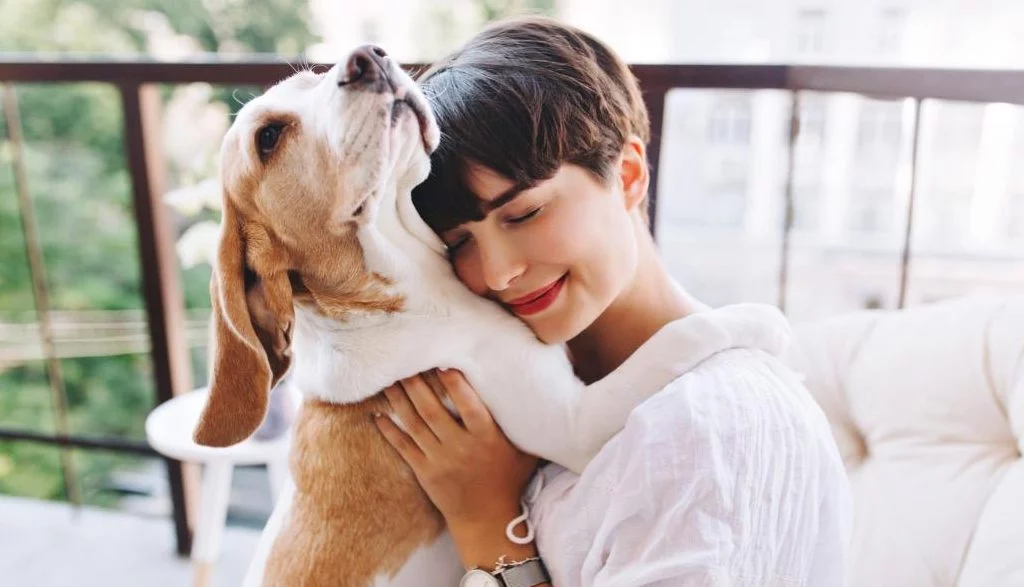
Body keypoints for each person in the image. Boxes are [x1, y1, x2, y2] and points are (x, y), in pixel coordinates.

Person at [372, 16, 851, 587]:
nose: (499, 273)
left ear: (627, 175)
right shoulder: (511, 399)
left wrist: (487, 522)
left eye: (524, 214)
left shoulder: (705, 425)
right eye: (459, 243)